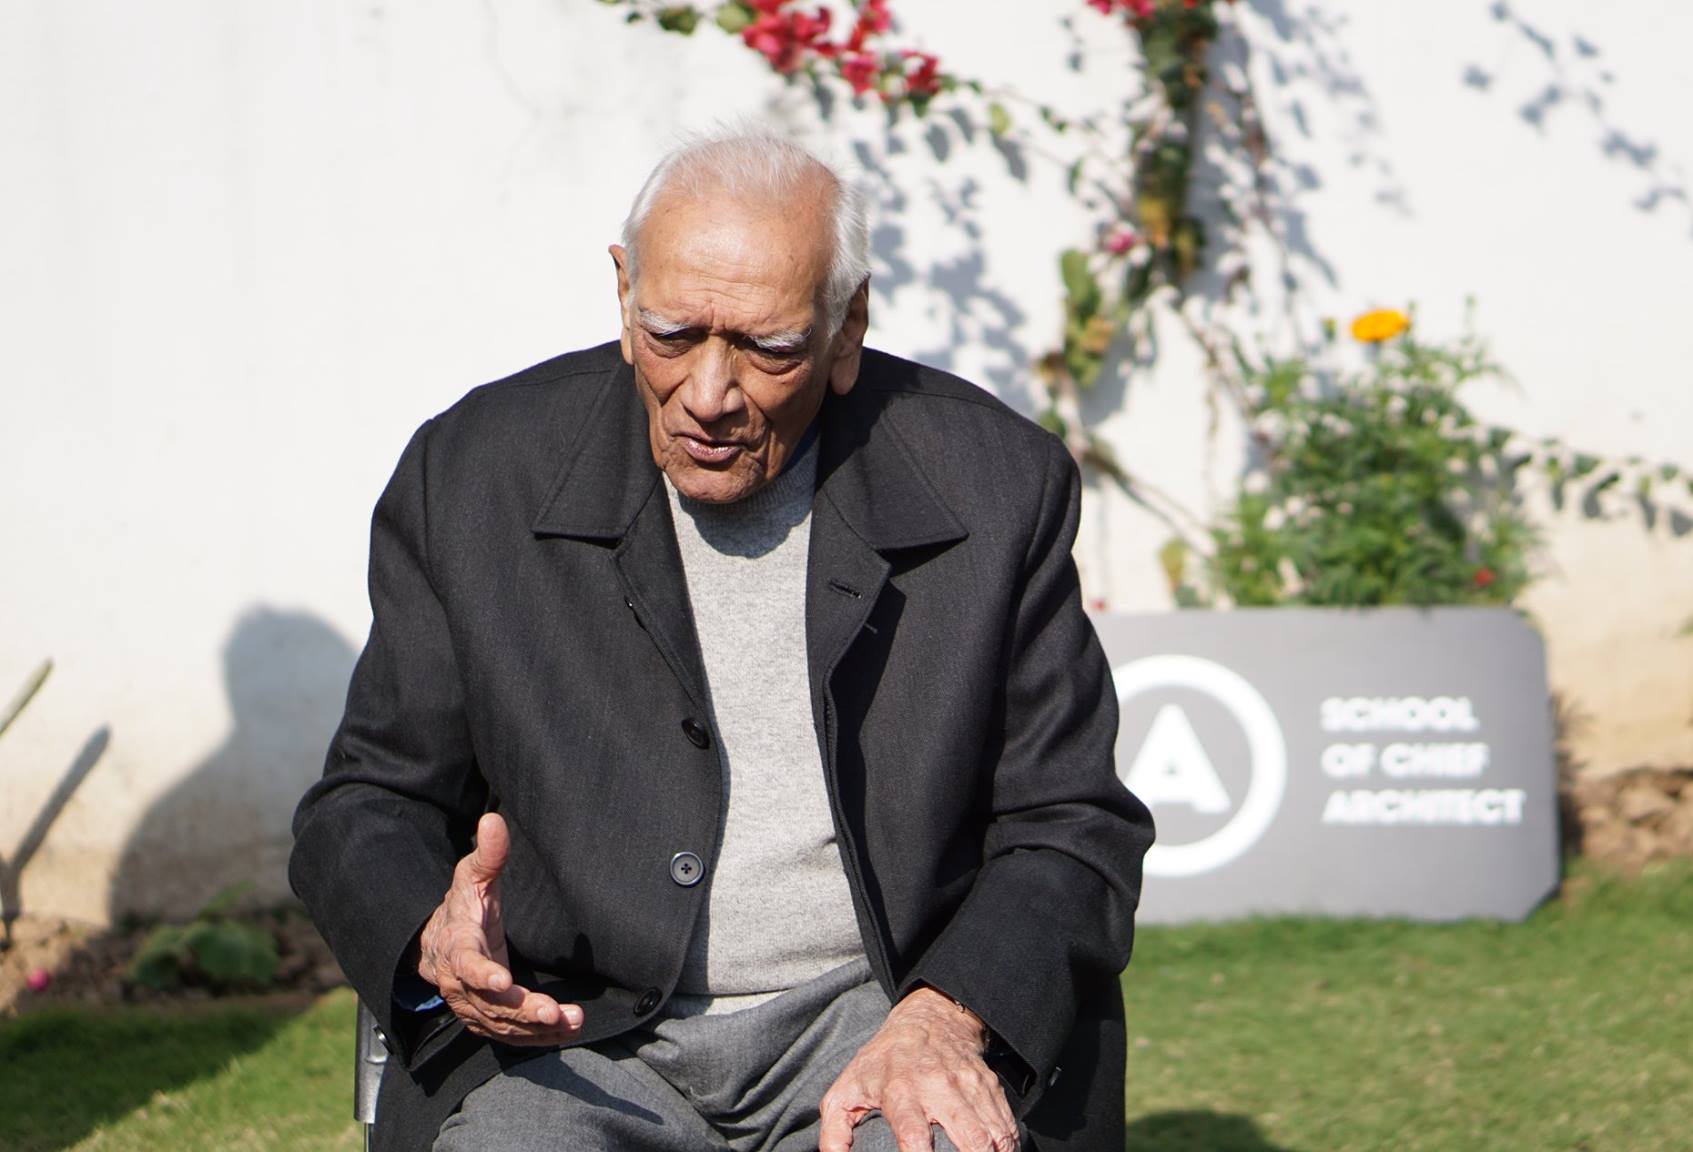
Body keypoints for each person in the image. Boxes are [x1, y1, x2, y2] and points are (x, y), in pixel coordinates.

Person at [289, 129, 1153, 1152]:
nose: (708, 394)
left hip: (883, 1013)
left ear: (847, 326)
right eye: (671, 334)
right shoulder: (473, 475)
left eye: (766, 348)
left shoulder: (994, 484)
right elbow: (368, 801)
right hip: (572, 1033)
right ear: (623, 295)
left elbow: (1070, 824)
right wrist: (429, 941)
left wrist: (943, 1015)